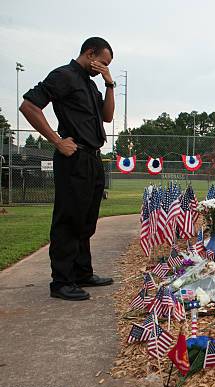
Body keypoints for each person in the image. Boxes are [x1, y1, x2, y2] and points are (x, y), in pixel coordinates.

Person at [20, 37, 116, 301]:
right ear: (90, 53)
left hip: (93, 158)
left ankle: (82, 272)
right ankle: (61, 281)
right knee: (69, 219)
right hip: (73, 157)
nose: (103, 67)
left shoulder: (91, 84)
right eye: (103, 62)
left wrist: (109, 83)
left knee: (86, 219)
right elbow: (29, 105)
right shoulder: (64, 75)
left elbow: (107, 116)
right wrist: (57, 140)